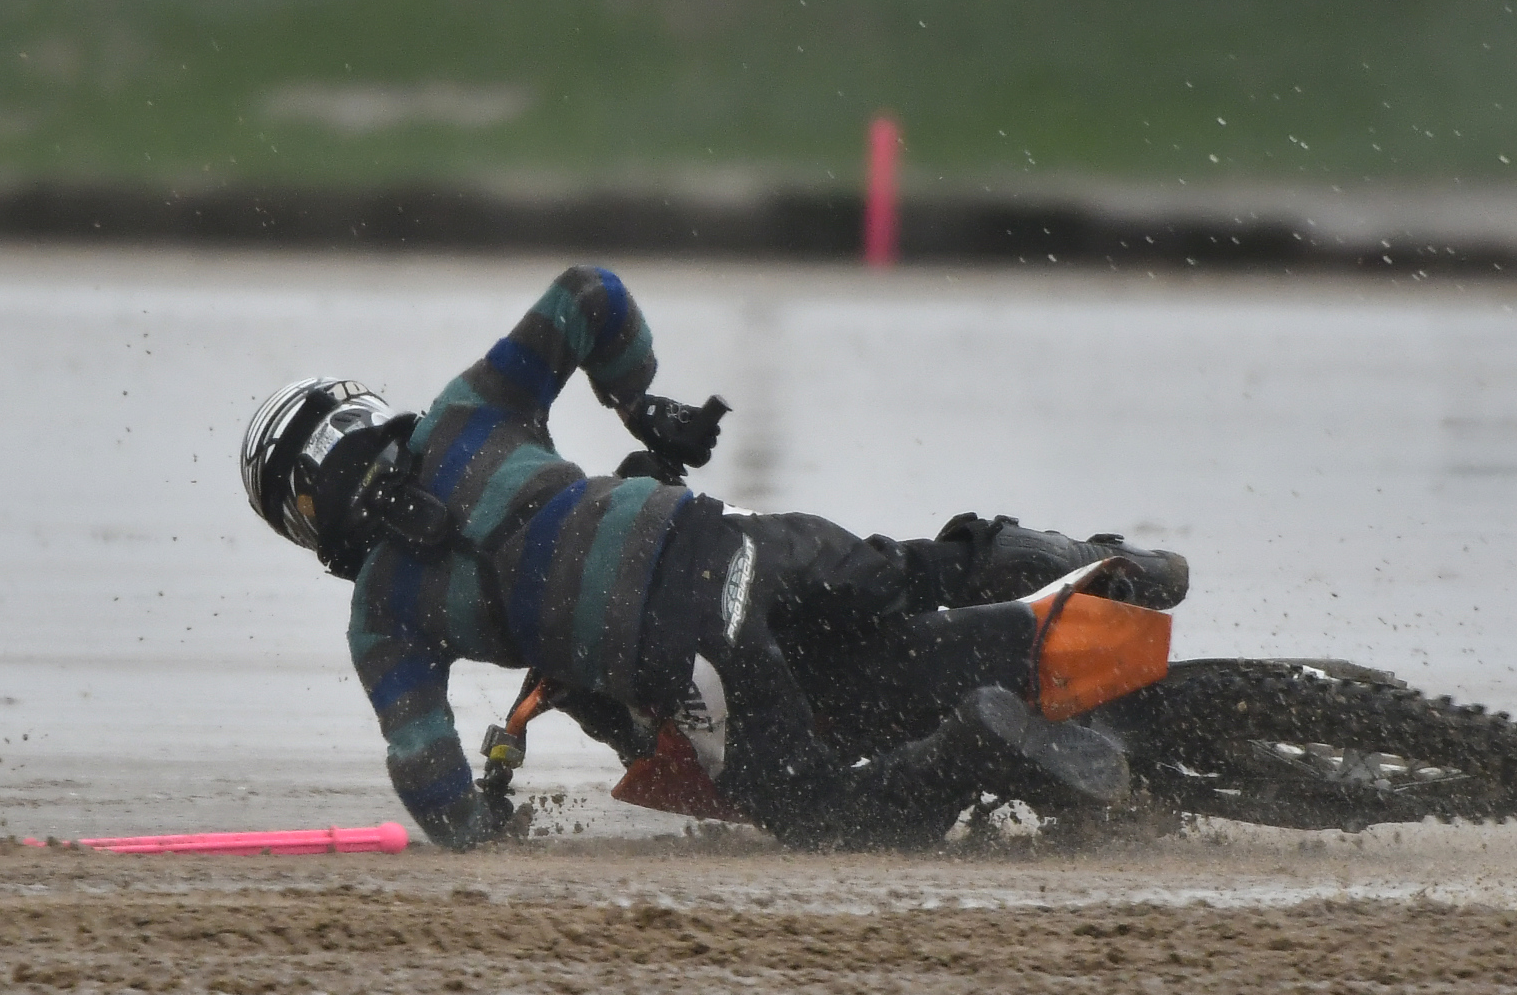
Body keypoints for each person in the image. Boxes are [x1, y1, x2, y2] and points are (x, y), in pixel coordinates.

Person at [239, 266, 1186, 851]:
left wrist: (476, 832)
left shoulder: (381, 614)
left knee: (825, 821)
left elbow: (428, 771)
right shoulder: (468, 409)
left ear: (303, 515)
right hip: (727, 535)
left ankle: (974, 740)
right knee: (911, 569)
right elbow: (588, 291)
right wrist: (638, 402)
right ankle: (1089, 559)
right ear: (362, 410)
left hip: (681, 642)